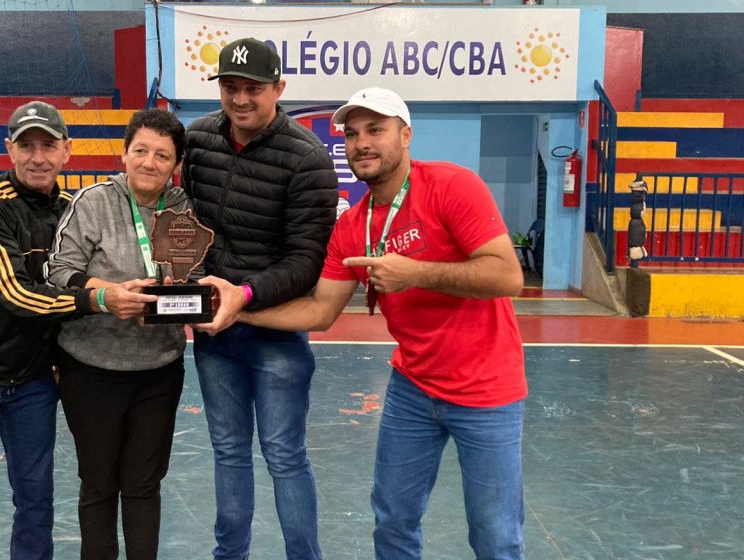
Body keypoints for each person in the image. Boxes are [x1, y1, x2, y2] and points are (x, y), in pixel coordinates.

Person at [211, 87, 528, 560]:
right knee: (394, 522)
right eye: (352, 134)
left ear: (405, 135)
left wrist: (414, 271)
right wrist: (239, 305)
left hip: (487, 392)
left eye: (375, 130)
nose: (361, 143)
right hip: (413, 389)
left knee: (495, 535)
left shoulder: (451, 185)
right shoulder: (352, 226)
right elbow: (319, 310)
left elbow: (508, 276)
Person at [0, 100, 142, 560]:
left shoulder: (72, 209)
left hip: (31, 381)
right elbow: (16, 294)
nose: (38, 157)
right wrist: (101, 299)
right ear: (9, 149)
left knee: (36, 500)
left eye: (48, 145)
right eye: (27, 146)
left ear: (68, 151)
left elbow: (86, 273)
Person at [182, 37, 338, 560]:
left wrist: (241, 296)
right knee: (228, 453)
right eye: (231, 87)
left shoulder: (307, 158)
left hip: (274, 333)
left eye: (254, 89)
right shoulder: (198, 140)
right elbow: (183, 223)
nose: (241, 99)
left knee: (284, 455)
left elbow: (305, 262)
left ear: (279, 89)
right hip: (213, 333)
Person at [45, 109, 192, 560]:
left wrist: (164, 307)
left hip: (158, 372)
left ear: (175, 164)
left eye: (162, 155)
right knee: (99, 484)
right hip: (91, 369)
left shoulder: (183, 209)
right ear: (125, 155)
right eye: (141, 151)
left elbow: (193, 279)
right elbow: (58, 273)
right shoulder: (92, 203)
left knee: (144, 485)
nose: (150, 162)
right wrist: (111, 295)